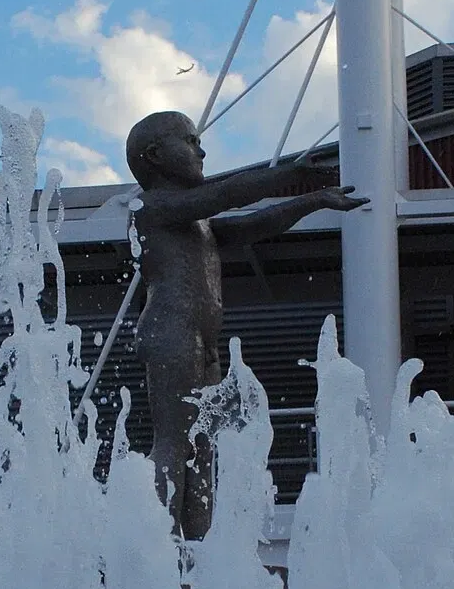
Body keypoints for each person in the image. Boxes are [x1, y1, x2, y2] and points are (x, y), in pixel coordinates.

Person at [126, 109, 366, 539]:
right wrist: (284, 175)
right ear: (155, 155)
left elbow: (254, 223)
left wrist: (313, 200)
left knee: (202, 448)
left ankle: (196, 552)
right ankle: (156, 551)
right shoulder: (152, 207)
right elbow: (230, 194)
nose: (201, 150)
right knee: (174, 440)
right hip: (171, 334)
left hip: (202, 340)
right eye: (189, 140)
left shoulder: (195, 221)